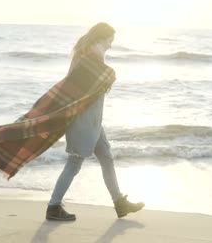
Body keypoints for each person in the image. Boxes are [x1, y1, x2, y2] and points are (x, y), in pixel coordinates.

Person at [45, 23, 145, 221]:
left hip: (93, 121)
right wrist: (109, 75)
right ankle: (53, 206)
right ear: (102, 37)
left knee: (107, 158)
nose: (111, 44)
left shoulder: (91, 56)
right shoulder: (88, 57)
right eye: (110, 40)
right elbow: (89, 84)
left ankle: (119, 203)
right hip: (82, 121)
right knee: (74, 164)